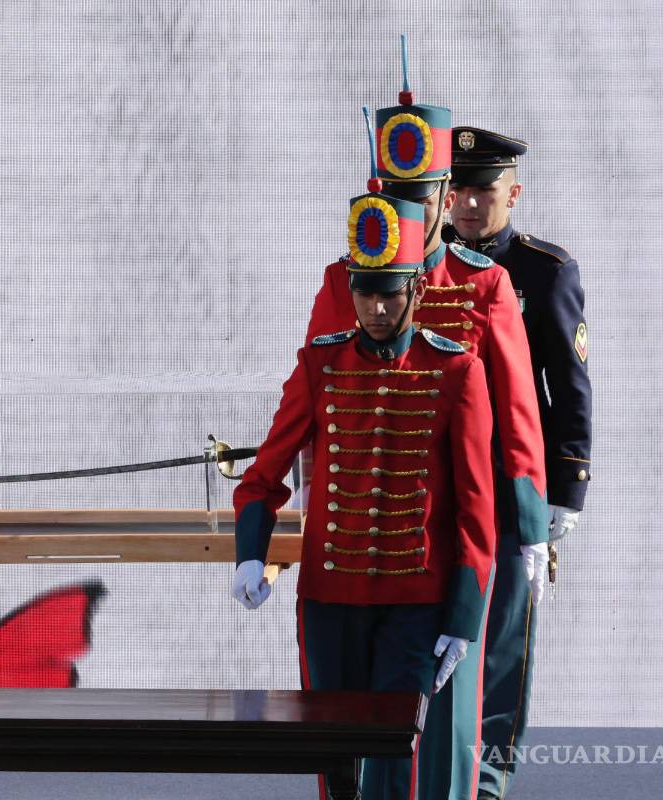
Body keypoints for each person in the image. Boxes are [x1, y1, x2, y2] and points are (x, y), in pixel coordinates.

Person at [300, 40, 550, 799]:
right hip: (373, 537)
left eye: (428, 191)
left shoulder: (486, 284)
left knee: (449, 715)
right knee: (346, 714)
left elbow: (515, 415)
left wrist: (532, 526)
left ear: (445, 194)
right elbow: (320, 403)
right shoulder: (346, 282)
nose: (417, 207)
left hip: (467, 528)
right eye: (398, 191)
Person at [233, 170, 497, 800]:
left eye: (390, 295)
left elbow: (474, 507)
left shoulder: (455, 371)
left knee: (391, 753)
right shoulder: (321, 363)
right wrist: (251, 551)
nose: (377, 310)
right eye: (365, 294)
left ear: (415, 290)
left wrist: (463, 616)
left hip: (415, 599)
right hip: (331, 598)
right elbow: (265, 474)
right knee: (335, 754)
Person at [444, 126, 593, 800]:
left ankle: (490, 780)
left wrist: (564, 490)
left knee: (501, 642)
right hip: (435, 481)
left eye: (486, 191)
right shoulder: (420, 262)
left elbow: (568, 383)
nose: (472, 205)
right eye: (462, 191)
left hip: (510, 483)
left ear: (514, 193)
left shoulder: (542, 270)